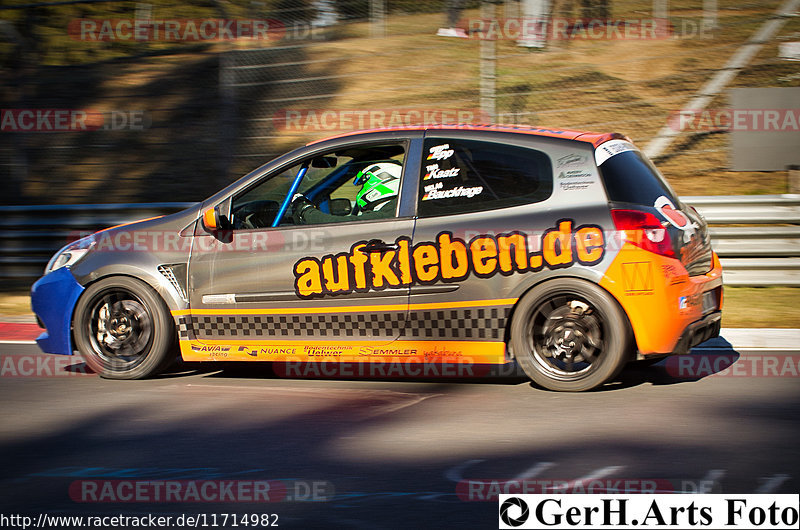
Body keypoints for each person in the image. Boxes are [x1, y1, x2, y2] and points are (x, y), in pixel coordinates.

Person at [292, 162, 401, 225]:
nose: (361, 191)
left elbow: (334, 224)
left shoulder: (389, 213)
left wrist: (304, 208)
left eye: (364, 185)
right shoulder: (399, 208)